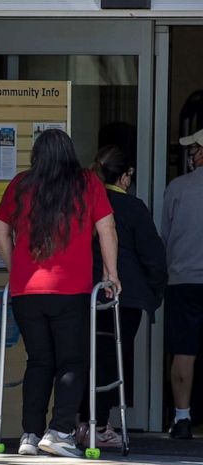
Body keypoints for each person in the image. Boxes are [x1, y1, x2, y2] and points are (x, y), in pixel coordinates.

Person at [0, 129, 120, 458]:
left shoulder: (21, 184)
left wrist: (14, 266)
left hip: (27, 291)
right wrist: (111, 273)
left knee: (38, 362)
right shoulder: (88, 183)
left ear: (37, 155)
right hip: (71, 290)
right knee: (72, 361)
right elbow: (107, 226)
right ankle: (61, 431)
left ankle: (30, 435)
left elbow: (0, 227)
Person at [76, 146, 166, 448]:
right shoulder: (132, 207)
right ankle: (99, 425)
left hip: (83, 290)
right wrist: (155, 293)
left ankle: (79, 422)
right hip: (122, 294)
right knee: (112, 359)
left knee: (85, 357)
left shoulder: (83, 202)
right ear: (126, 177)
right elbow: (152, 255)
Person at [161, 128, 203, 439]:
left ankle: (182, 418)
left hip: (183, 281)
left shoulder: (177, 188)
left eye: (195, 148)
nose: (191, 153)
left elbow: (164, 237)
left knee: (184, 351)